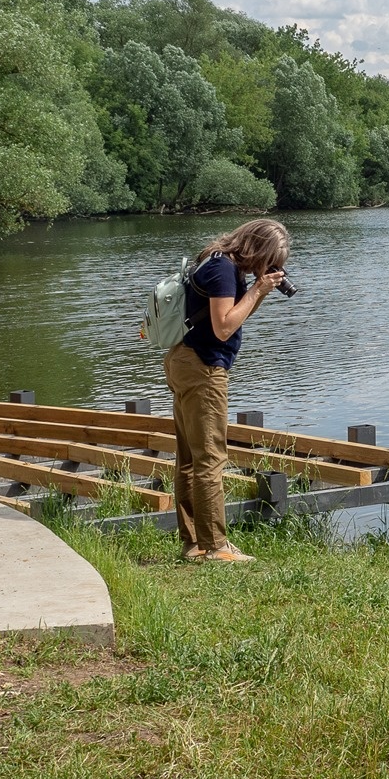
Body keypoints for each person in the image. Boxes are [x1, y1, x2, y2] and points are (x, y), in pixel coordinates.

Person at [163, 218, 291, 563]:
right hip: (203, 368)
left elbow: (234, 317)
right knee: (210, 458)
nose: (271, 266)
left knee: (189, 458)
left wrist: (257, 292)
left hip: (184, 360)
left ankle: (194, 543)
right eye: (271, 259)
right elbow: (223, 328)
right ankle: (215, 547)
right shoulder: (223, 270)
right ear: (258, 249)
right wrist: (256, 290)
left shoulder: (216, 258)